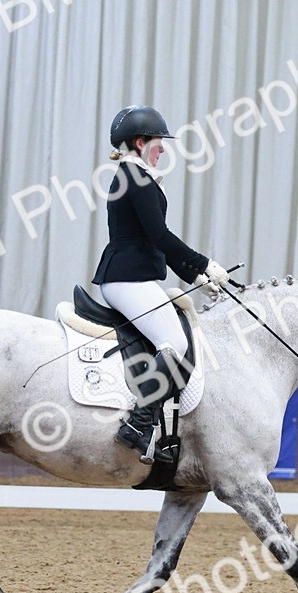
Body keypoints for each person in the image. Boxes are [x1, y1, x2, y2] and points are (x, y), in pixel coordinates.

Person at [92, 104, 230, 462]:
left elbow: (153, 241)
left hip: (131, 275)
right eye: (158, 142)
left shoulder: (134, 176)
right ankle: (139, 425)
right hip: (126, 278)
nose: (163, 149)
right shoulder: (136, 179)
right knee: (176, 343)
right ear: (140, 142)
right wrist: (205, 263)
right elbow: (159, 235)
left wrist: (195, 276)